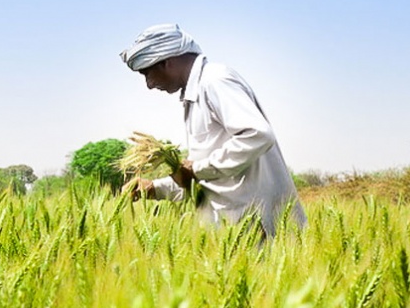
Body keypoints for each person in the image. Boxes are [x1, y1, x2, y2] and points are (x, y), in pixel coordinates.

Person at [120, 23, 306, 237]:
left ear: (166, 62)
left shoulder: (215, 81)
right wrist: (155, 187)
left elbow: (257, 134)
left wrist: (197, 169)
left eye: (147, 73)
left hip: (256, 232)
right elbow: (209, 178)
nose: (149, 85)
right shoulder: (196, 95)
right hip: (234, 234)